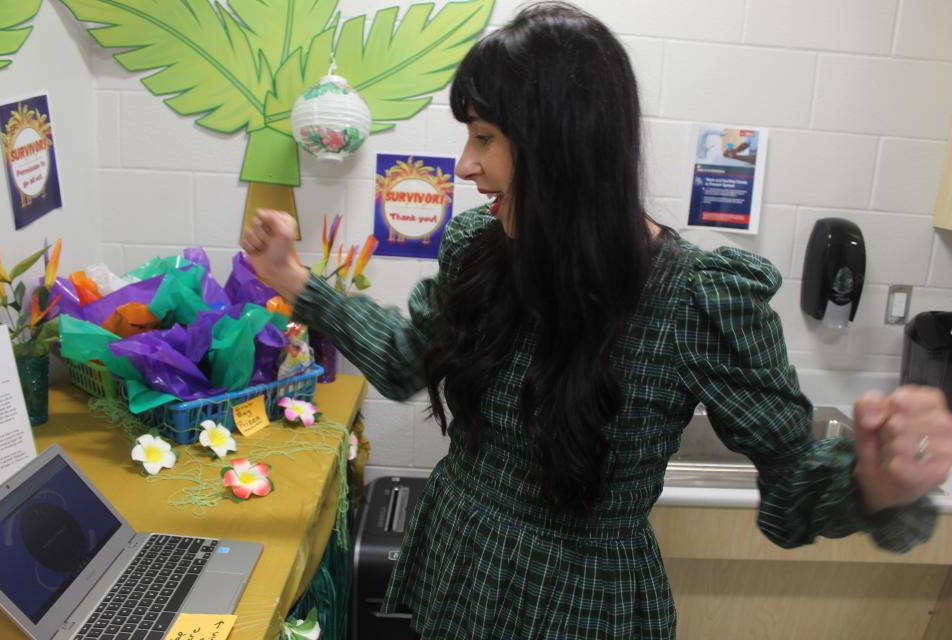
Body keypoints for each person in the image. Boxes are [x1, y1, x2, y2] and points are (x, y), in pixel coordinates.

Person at [242, 3, 952, 638]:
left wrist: (874, 484)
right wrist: (294, 279)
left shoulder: (698, 300)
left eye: (484, 138)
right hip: (461, 568)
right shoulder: (479, 252)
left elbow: (793, 485)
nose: (465, 165)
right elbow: (406, 361)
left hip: (580, 604)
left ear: (562, 148)